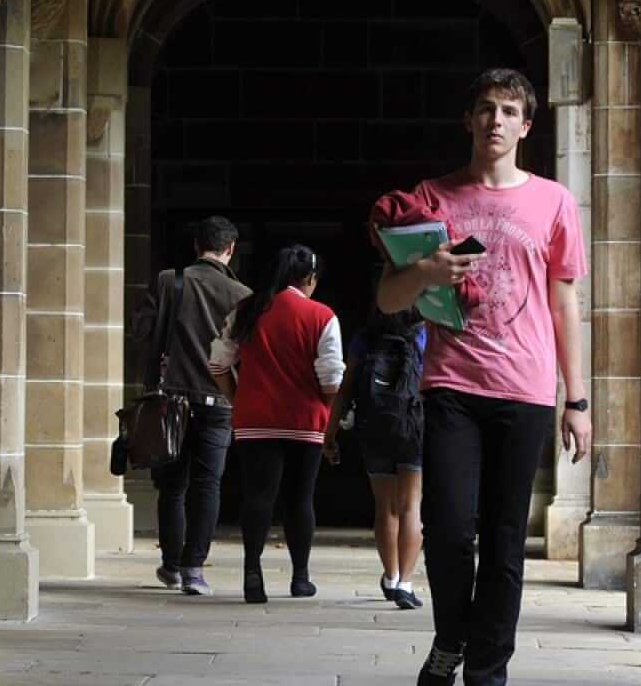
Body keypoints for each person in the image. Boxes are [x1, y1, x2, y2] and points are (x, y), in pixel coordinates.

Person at [375, 68, 592, 686]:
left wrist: (575, 398)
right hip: (451, 385)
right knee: (447, 527)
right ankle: (451, 637)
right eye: (485, 108)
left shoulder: (553, 201)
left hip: (523, 392)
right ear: (469, 119)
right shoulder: (432, 197)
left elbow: (563, 301)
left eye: (508, 111)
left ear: (526, 126)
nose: (495, 120)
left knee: (503, 541)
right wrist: (428, 270)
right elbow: (389, 299)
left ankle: (488, 670)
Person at [209, 244, 345, 604]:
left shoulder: (247, 311)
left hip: (255, 420)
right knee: (300, 498)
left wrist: (238, 400)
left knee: (258, 496)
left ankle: (252, 574)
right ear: (310, 279)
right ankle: (300, 578)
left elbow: (218, 364)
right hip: (305, 421)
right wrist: (327, 416)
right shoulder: (322, 315)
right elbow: (331, 378)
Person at [144, 216, 252, 596]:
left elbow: (143, 331)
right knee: (208, 485)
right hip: (219, 400)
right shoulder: (243, 295)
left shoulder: (169, 281)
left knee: (172, 486)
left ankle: (171, 565)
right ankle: (194, 569)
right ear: (230, 249)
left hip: (171, 397)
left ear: (197, 245)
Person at [323, 307, 427, 610]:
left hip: (374, 427)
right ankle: (406, 584)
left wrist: (330, 433)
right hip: (413, 427)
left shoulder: (365, 337)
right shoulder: (426, 334)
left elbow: (346, 387)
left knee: (385, 507)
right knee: (411, 506)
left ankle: (391, 577)